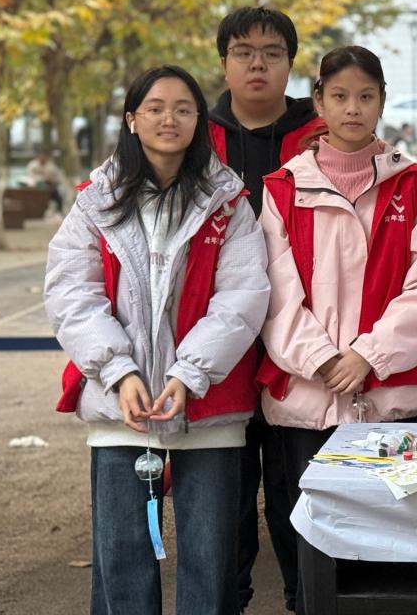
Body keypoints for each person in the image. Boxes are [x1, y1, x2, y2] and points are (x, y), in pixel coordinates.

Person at [44, 65, 270, 615]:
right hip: (121, 404)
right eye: (155, 108)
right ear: (132, 119)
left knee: (210, 562)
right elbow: (72, 293)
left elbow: (242, 297)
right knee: (121, 560)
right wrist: (119, 372)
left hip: (207, 403)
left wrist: (188, 374)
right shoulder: (95, 201)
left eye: (184, 109)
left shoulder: (228, 202)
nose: (170, 119)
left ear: (200, 121)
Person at [258, 46, 417, 613]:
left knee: (388, 550)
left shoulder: (414, 184)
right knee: (308, 547)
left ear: (382, 102)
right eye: (339, 96)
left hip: (389, 399)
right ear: (318, 101)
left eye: (366, 96)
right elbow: (273, 292)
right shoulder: (281, 189)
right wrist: (321, 359)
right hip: (305, 401)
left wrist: (369, 355)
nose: (353, 108)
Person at [211, 6, 322, 613]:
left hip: (302, 345)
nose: (258, 64)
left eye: (272, 53)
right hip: (219, 345)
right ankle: (226, 599)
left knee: (296, 487)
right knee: (224, 493)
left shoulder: (324, 134)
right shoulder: (197, 139)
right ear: (223, 62)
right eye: (244, 52)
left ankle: (306, 599)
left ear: (290, 63)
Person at [25, 148, 66, 214]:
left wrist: (50, 180)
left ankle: (59, 212)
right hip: (35, 188)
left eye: (43, 156)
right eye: (40, 155)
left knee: (58, 195)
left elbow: (57, 179)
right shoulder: (32, 165)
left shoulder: (51, 165)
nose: (42, 157)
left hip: (49, 187)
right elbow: (29, 176)